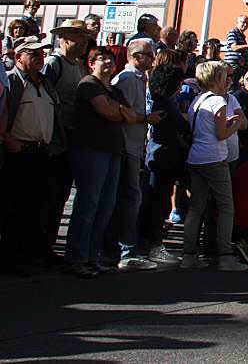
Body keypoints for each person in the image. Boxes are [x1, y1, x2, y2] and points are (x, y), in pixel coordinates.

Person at [65, 47, 134, 278]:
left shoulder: (112, 90)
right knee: (88, 204)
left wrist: (120, 110)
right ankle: (77, 257)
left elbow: (130, 115)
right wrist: (119, 111)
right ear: (91, 63)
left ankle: (92, 256)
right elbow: (108, 112)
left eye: (110, 59)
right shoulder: (88, 84)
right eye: (102, 58)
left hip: (113, 150)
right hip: (90, 150)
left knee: (105, 206)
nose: (107, 62)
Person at [0, 36, 61, 275]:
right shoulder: (13, 81)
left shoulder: (44, 82)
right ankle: (8, 259)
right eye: (33, 54)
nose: (40, 58)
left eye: (41, 54)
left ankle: (26, 255)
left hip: (40, 151)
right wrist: (6, 138)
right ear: (19, 57)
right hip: (17, 151)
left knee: (34, 207)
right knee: (12, 208)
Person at [182, 61, 247, 271]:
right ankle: (225, 256)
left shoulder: (197, 100)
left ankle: (189, 254)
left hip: (196, 157)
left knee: (196, 207)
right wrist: (235, 124)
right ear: (215, 79)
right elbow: (221, 134)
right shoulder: (218, 100)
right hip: (214, 157)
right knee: (226, 206)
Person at [110, 39, 164, 270]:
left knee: (130, 197)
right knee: (131, 197)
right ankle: (126, 251)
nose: (153, 59)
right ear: (135, 56)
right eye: (149, 55)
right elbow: (126, 113)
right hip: (127, 145)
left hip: (134, 145)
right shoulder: (129, 78)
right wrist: (147, 119)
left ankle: (122, 248)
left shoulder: (139, 78)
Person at [40, 20, 88, 258]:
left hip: (71, 136)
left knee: (60, 194)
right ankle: (39, 246)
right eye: (79, 37)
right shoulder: (53, 63)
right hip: (54, 137)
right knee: (47, 194)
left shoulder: (79, 66)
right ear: (66, 38)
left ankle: (47, 246)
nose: (84, 42)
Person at [138, 63, 188, 264]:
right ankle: (153, 244)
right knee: (158, 202)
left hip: (158, 154)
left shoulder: (160, 100)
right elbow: (180, 126)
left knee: (155, 200)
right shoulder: (166, 103)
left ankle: (147, 242)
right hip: (163, 156)